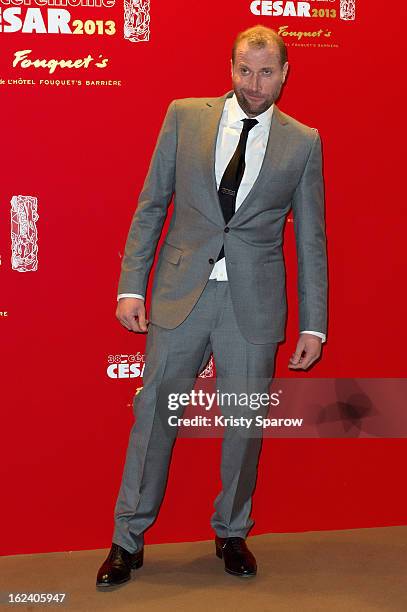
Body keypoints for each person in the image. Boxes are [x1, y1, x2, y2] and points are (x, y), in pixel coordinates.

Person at [96, 24, 327, 588]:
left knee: (244, 426)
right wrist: (132, 284)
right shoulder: (184, 115)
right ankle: (128, 539)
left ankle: (231, 530)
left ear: (285, 73)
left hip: (253, 302)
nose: (255, 84)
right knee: (154, 417)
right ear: (230, 68)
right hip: (180, 293)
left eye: (267, 72)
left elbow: (311, 238)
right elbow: (152, 202)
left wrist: (315, 323)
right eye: (245, 71)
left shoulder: (304, 140)